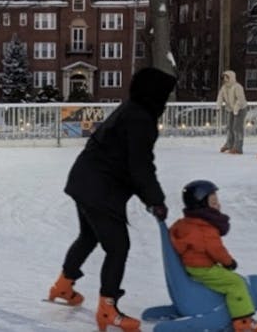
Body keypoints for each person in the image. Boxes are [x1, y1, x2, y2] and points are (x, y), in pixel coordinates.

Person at [47, 67, 176, 332]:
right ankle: (107, 308)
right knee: (118, 247)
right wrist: (156, 200)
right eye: (165, 95)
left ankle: (63, 284)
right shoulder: (141, 118)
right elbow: (139, 166)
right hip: (99, 188)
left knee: (88, 237)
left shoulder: (131, 109)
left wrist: (150, 198)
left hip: (84, 181)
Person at [169, 180, 257, 332]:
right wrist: (229, 263)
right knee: (235, 283)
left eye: (217, 201)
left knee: (227, 279)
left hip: (192, 265)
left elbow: (174, 233)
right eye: (214, 202)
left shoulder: (186, 223)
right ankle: (243, 320)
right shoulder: (205, 228)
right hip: (202, 268)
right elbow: (216, 249)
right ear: (201, 205)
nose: (218, 205)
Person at [217, 70, 247, 154]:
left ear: (231, 77)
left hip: (240, 109)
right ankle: (229, 144)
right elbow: (220, 97)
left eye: (227, 77)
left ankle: (238, 147)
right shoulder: (224, 87)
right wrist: (218, 106)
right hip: (230, 109)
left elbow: (240, 99)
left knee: (237, 128)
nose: (225, 79)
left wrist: (236, 109)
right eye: (224, 77)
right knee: (230, 127)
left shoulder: (237, 87)